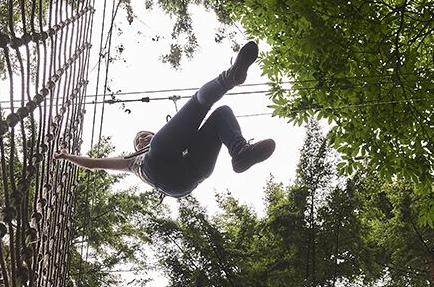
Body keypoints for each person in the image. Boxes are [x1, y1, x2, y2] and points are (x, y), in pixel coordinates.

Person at [55, 41, 275, 197]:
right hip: (166, 175)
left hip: (194, 171)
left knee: (222, 113)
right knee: (194, 108)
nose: (141, 140)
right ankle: (227, 79)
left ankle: (240, 153)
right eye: (138, 141)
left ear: (154, 132)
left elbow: (173, 137)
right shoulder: (131, 162)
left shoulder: (167, 142)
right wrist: (67, 156)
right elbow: (94, 164)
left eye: (144, 136)